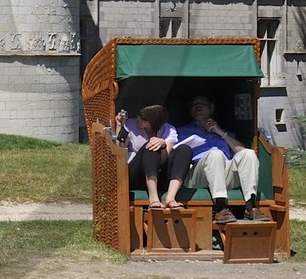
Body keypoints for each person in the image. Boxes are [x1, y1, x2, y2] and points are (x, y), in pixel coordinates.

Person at [177, 94, 268, 224]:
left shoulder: (223, 132)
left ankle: (250, 207)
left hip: (224, 171)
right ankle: (221, 208)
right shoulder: (181, 131)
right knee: (215, 154)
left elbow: (241, 150)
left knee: (248, 154)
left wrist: (220, 133)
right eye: (194, 104)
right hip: (196, 174)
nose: (198, 106)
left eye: (202, 104)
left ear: (211, 108)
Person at [115, 103, 190, 209]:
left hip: (159, 174)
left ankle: (171, 198)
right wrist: (120, 126)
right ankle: (153, 198)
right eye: (138, 115)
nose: (138, 119)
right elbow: (120, 149)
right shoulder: (130, 125)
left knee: (185, 149)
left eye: (143, 118)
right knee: (150, 146)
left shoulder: (169, 130)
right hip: (137, 174)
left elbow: (163, 159)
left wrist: (163, 144)